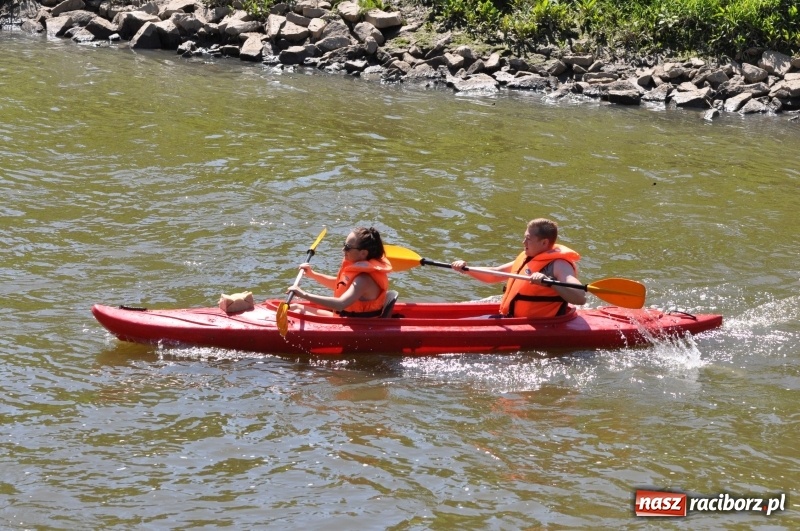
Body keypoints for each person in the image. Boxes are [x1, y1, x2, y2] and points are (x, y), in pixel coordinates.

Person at [451, 218, 586, 317]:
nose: (523, 242)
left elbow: (580, 298)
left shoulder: (559, 265)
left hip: (538, 327)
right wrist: (467, 269)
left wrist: (550, 283)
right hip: (511, 318)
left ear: (544, 242)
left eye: (528, 239)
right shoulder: (528, 257)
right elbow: (496, 274)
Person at [287, 227, 392, 317]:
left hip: (356, 326)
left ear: (363, 253)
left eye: (348, 247)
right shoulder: (359, 275)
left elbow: (341, 304)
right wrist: (313, 274)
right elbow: (339, 285)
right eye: (344, 244)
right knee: (295, 307)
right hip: (345, 318)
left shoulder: (364, 279)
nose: (343, 249)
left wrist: (303, 294)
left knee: (297, 310)